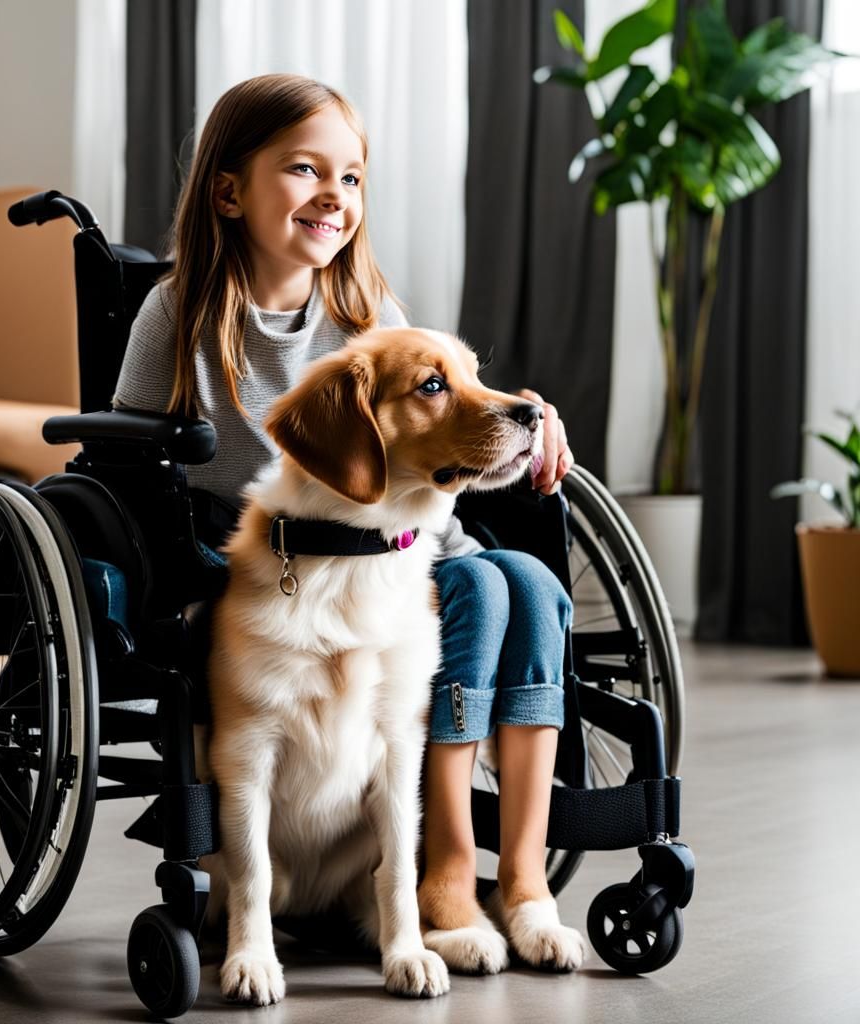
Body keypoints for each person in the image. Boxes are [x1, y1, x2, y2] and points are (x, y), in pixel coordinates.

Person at [112, 72, 584, 970]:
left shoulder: (369, 318)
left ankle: (522, 878)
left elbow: (447, 426)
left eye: (354, 177)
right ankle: (446, 868)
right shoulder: (177, 314)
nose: (335, 195)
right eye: (303, 169)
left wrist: (523, 430)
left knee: (527, 580)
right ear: (228, 189)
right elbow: (122, 462)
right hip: (267, 568)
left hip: (401, 556)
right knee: (486, 587)